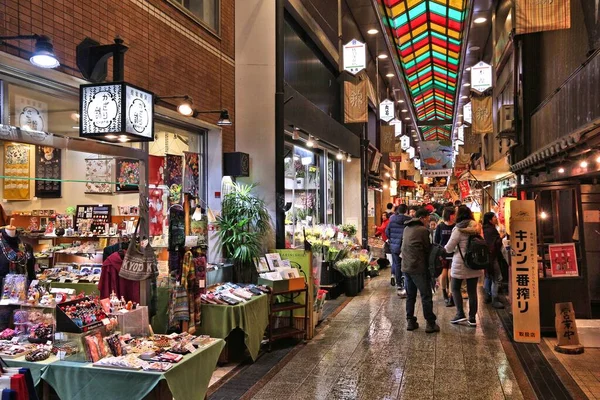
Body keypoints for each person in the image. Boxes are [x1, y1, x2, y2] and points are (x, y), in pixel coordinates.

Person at [401, 208, 439, 333]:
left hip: (406, 267)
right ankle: (430, 323)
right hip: (418, 268)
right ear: (422, 218)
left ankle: (410, 321)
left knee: (410, 295)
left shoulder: (407, 228)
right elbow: (427, 250)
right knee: (426, 295)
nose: (429, 220)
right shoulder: (423, 230)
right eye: (428, 218)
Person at [444, 206, 482, 326]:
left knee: (455, 287)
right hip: (475, 262)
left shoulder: (458, 229)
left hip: (460, 262)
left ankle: (460, 314)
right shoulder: (476, 227)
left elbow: (449, 248)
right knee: (472, 291)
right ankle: (472, 318)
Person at [386, 204, 411, 296]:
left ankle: (399, 284)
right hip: (405, 246)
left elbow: (387, 232)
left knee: (397, 264)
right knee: (405, 264)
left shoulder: (392, 220)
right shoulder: (408, 220)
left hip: (394, 246)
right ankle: (405, 284)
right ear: (406, 210)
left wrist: (392, 240)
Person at [482, 212, 505, 309]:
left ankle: (487, 295)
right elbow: (495, 244)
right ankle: (494, 299)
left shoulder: (486, 228)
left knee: (488, 276)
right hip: (492, 257)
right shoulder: (491, 230)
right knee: (497, 277)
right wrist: (501, 237)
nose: (496, 218)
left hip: (486, 257)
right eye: (494, 217)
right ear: (490, 220)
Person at [434, 207, 456, 307]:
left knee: (451, 275)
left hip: (454, 254)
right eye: (453, 214)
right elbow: (436, 241)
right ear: (449, 215)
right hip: (443, 254)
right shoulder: (440, 226)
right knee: (443, 275)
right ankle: (444, 293)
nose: (454, 216)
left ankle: (451, 295)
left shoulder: (456, 227)